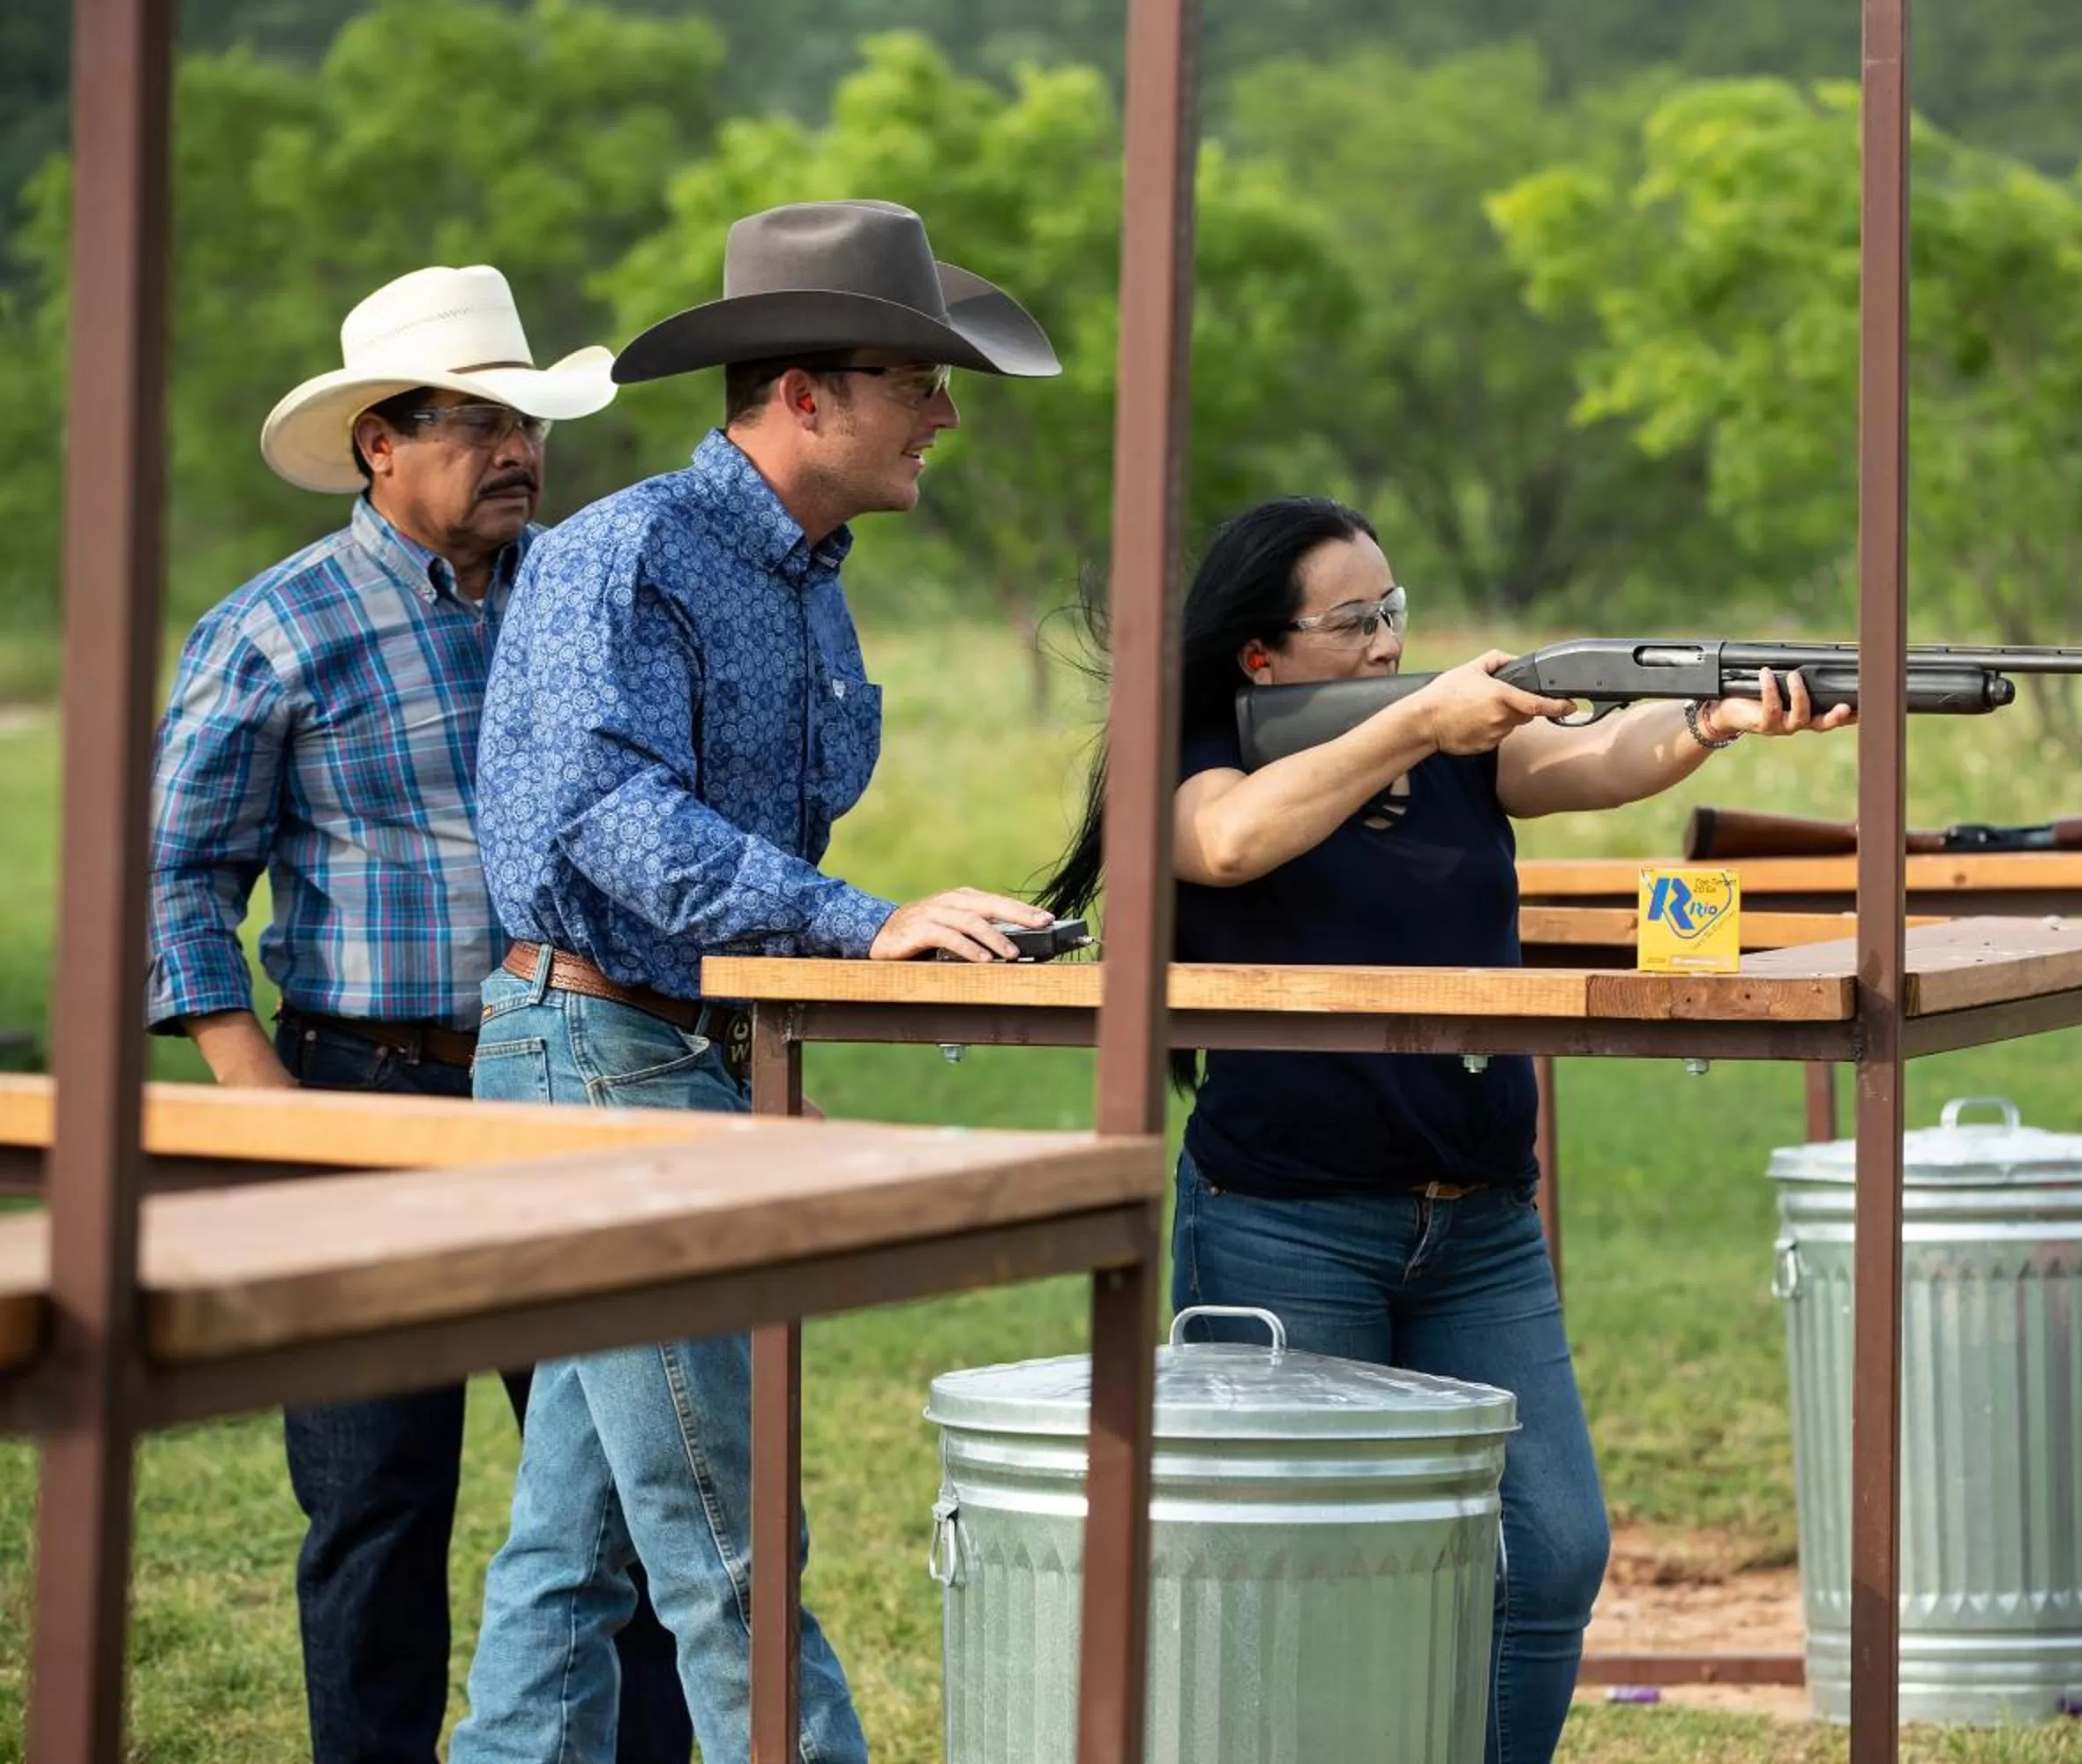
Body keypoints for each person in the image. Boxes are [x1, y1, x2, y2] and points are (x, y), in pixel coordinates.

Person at [1038, 495, 1854, 1763]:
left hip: (1477, 1216)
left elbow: (1590, 762)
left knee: (1553, 1549)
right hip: (1286, 1224)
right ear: (1263, 657)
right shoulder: (1201, 755)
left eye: (1394, 613)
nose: (1384, 642)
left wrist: (1708, 718)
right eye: (1355, 621)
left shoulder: (1454, 747)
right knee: (1304, 1576)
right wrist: (1423, 715)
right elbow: (1231, 843)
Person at [449, 199, 1063, 1764]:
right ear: (804, 397)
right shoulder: (629, 555)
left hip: (668, 1053)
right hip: (599, 1049)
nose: (944, 412)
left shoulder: (806, 577)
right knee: (731, 1538)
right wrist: (864, 925)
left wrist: (899, 941)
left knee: (572, 1555)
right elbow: (610, 812)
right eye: (913, 380)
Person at [144, 265, 695, 1763]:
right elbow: (179, 876)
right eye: (474, 423)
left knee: (625, 1500)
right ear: (377, 444)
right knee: (378, 1507)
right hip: (356, 1086)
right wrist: (259, 1097)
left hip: (570, 1075)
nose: (516, 449)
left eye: (528, 421)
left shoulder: (581, 610)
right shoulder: (276, 630)